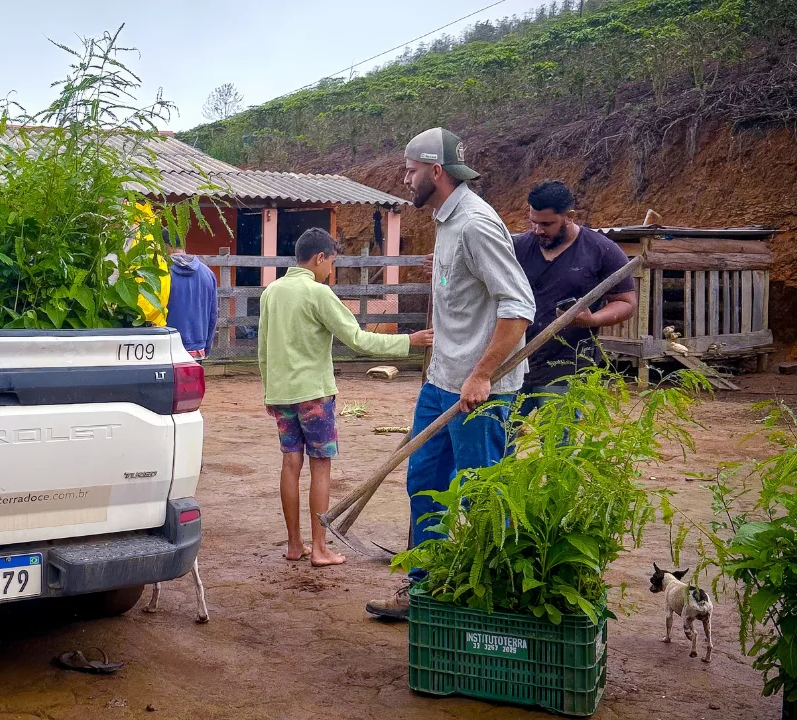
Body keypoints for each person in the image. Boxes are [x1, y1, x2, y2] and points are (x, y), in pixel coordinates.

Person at [366, 128, 535, 619]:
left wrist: (482, 375)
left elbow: (518, 306)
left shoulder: (478, 224)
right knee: (424, 481)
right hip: (442, 382)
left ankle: (489, 600)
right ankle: (426, 587)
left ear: (436, 171)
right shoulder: (446, 221)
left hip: (480, 393)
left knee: (481, 494)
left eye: (411, 170)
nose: (406, 178)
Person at [258, 228, 433, 567]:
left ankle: (296, 545)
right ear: (320, 258)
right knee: (321, 467)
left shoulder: (272, 292)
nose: (331, 271)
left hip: (281, 393)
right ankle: (320, 548)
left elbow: (264, 347)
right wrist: (409, 341)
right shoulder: (318, 293)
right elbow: (358, 340)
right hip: (314, 394)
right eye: (332, 263)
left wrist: (269, 390)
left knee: (290, 463)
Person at [512, 180, 637, 412]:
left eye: (547, 224)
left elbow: (625, 302)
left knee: (559, 445)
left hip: (567, 369)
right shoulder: (516, 247)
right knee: (502, 440)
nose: (538, 230)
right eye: (533, 222)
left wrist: (593, 320)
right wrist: (443, 270)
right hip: (514, 364)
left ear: (569, 216)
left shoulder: (602, 250)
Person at [165, 245, 219, 360]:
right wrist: (207, 347)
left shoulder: (161, 272)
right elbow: (213, 315)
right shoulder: (208, 273)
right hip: (197, 349)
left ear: (165, 246)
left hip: (166, 348)